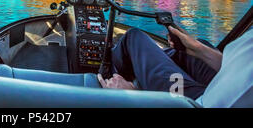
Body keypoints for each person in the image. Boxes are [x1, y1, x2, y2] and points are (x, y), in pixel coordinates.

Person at [97, 25, 253, 107]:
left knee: (134, 38)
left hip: (194, 103)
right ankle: (149, 74)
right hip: (224, 86)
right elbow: (242, 67)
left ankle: (110, 77)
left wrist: (135, 96)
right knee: (191, 50)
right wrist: (199, 50)